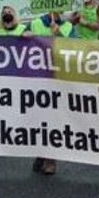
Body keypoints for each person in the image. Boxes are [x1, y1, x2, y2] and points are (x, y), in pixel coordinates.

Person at [27, 11, 79, 175]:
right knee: (39, 119)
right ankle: (41, 153)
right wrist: (24, 36)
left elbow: (77, 49)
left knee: (54, 118)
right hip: (38, 76)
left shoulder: (69, 26)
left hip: (59, 77)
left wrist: (58, 33)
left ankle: (50, 159)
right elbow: (18, 42)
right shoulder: (35, 23)